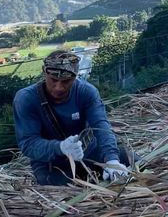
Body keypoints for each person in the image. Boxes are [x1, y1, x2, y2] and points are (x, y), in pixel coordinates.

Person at [13, 49, 131, 185]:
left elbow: (101, 126)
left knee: (136, 162)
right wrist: (61, 147)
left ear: (75, 77)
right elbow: (28, 144)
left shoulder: (86, 92)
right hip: (52, 163)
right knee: (65, 194)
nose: (59, 87)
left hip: (89, 152)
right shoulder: (26, 99)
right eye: (54, 80)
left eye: (66, 81)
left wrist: (112, 160)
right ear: (44, 71)